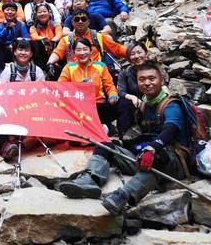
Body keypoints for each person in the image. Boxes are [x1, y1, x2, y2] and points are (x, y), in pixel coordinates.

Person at [59, 63, 190, 216]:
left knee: (156, 159)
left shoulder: (171, 105)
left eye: (151, 78)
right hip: (146, 155)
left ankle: (123, 196)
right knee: (106, 145)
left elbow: (170, 130)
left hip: (173, 160)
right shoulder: (144, 105)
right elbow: (141, 134)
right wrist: (122, 143)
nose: (147, 83)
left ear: (161, 80)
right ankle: (91, 180)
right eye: (142, 79)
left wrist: (152, 148)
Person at [47, 9, 129, 78]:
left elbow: (117, 49)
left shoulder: (98, 37)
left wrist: (133, 52)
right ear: (72, 22)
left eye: (83, 19)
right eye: (77, 19)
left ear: (88, 22)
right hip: (74, 77)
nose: (80, 21)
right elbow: (58, 52)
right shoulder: (66, 40)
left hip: (96, 75)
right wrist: (50, 63)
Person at [58, 37, 119, 128]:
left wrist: (112, 94)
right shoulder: (69, 67)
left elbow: (109, 86)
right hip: (77, 107)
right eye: (78, 50)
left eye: (85, 49)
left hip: (98, 106)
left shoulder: (100, 66)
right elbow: (60, 87)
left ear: (91, 51)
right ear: (74, 53)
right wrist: (79, 86)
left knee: (124, 104)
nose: (82, 53)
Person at [117, 42, 148, 138]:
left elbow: (162, 85)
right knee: (123, 102)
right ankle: (124, 135)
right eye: (132, 54)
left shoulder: (153, 70)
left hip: (151, 102)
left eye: (139, 52)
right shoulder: (125, 73)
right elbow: (120, 91)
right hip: (133, 105)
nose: (137, 56)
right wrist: (132, 97)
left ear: (146, 53)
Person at [0, 2, 29, 76]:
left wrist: (15, 44)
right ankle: (0, 71)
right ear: (3, 12)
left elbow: (26, 38)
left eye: (12, 10)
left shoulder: (21, 24)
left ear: (16, 12)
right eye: (7, 10)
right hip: (3, 50)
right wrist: (6, 29)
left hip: (17, 48)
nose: (10, 12)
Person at [29, 3, 63, 71]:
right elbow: (34, 36)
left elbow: (59, 34)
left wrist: (53, 40)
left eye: (44, 11)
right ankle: (40, 70)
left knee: (61, 42)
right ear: (36, 15)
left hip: (54, 49)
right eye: (39, 12)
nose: (42, 14)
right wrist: (43, 39)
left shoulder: (56, 24)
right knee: (36, 43)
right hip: (41, 53)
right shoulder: (33, 27)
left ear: (49, 13)